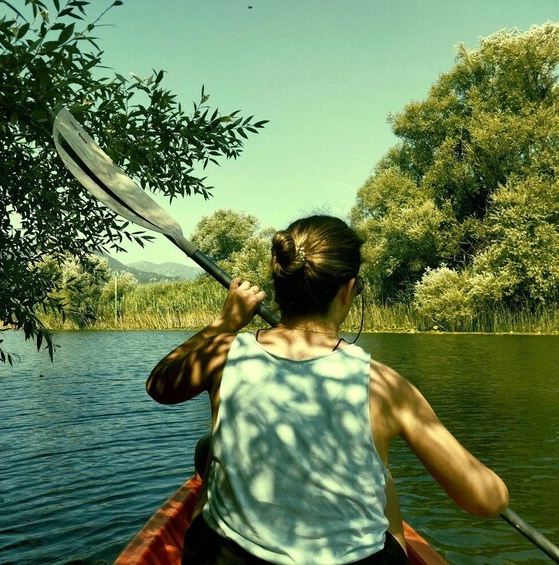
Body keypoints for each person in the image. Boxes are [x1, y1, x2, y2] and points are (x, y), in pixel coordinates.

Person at [146, 215, 509, 564]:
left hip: (228, 558)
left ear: (280, 284)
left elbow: (159, 385)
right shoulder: (385, 385)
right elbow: (486, 500)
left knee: (208, 453)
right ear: (349, 290)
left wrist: (226, 322)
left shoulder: (223, 353)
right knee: (381, 474)